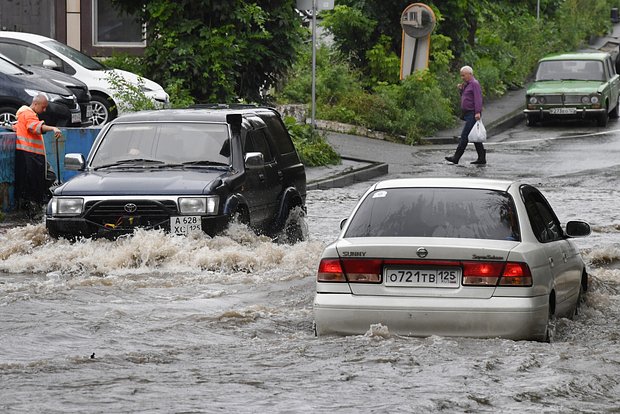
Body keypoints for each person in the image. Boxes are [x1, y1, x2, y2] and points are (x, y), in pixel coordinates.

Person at [12, 94, 62, 213]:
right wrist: (53, 128)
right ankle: (36, 209)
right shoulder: (28, 114)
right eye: (43, 107)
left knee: (35, 182)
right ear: (35, 104)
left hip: (30, 155)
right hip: (31, 155)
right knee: (37, 183)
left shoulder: (24, 115)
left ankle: (33, 208)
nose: (44, 110)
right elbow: (34, 127)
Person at [445, 65, 486, 165]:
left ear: (470, 74)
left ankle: (456, 157)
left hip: (473, 113)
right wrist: (461, 90)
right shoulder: (467, 84)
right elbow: (466, 97)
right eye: (461, 76)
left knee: (465, 135)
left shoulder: (474, 84)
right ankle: (481, 158)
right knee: (474, 136)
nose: (462, 77)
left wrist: (477, 112)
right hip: (468, 113)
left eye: (463, 75)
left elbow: (478, 99)